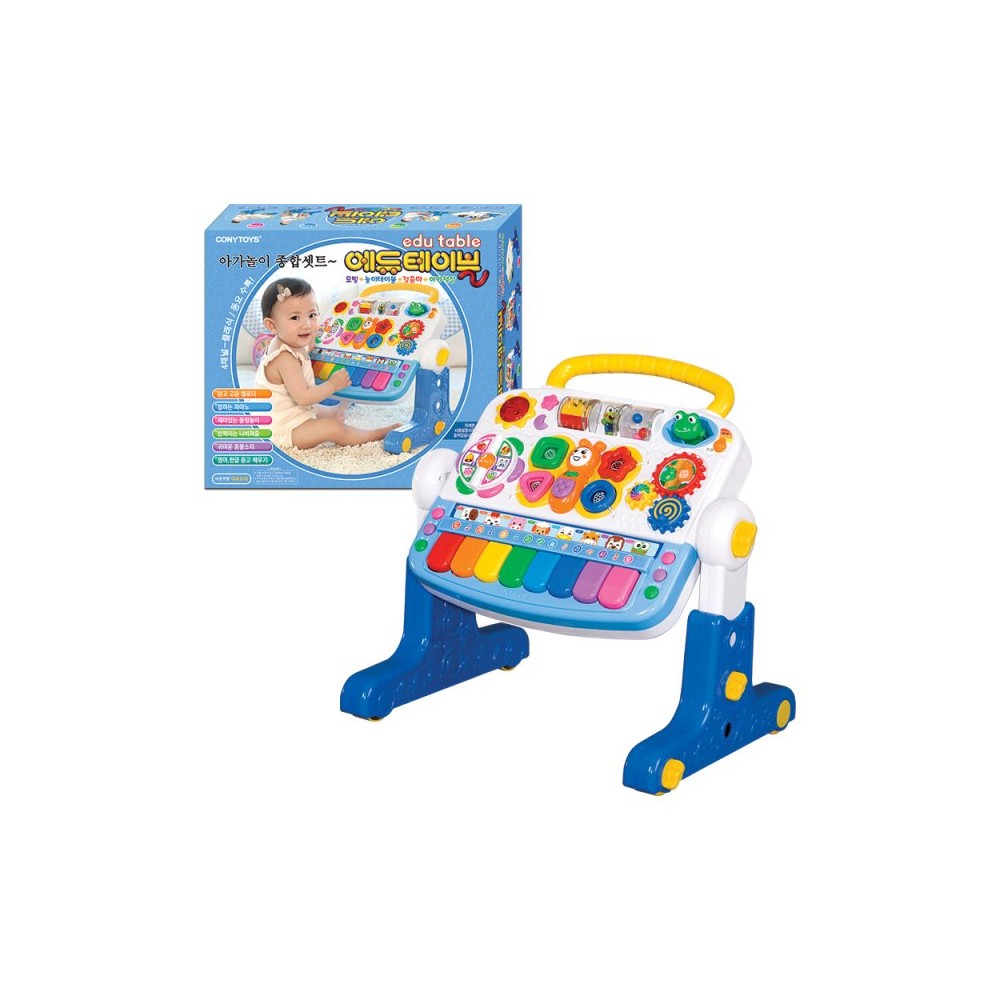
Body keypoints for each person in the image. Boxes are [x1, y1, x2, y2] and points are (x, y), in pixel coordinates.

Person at [255, 278, 399, 450]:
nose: (307, 324)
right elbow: (304, 398)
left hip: (289, 415)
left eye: (312, 315)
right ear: (272, 325)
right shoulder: (284, 358)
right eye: (295, 318)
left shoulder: (288, 343)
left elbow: (303, 353)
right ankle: (376, 435)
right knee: (334, 428)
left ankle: (333, 412)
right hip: (284, 431)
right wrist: (332, 385)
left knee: (317, 409)